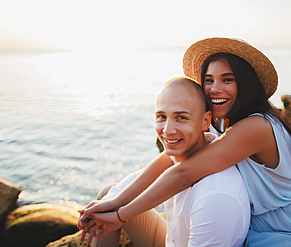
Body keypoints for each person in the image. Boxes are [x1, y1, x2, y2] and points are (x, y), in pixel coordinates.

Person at [80, 37, 291, 246]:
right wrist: (116, 202)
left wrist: (120, 215)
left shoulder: (257, 125)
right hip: (255, 226)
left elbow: (184, 173)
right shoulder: (223, 122)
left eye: (227, 80)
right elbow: (167, 159)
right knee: (109, 193)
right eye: (208, 80)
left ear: (246, 84)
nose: (214, 89)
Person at [80, 76, 250, 246]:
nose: (167, 130)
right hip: (172, 241)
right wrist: (97, 212)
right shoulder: (181, 156)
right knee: (108, 195)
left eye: (181, 118)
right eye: (161, 117)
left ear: (205, 121)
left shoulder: (215, 196)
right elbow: (139, 181)